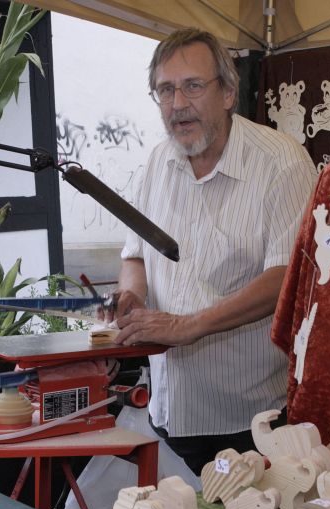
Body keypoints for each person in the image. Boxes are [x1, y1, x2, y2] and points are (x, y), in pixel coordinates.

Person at [113, 28, 317, 473]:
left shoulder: (281, 162)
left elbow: (287, 277)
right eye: (165, 90)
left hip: (247, 417)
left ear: (227, 92)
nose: (177, 104)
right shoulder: (157, 162)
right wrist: (132, 296)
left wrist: (189, 326)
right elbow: (135, 254)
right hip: (168, 408)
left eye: (192, 86)